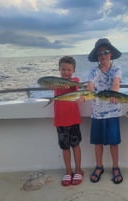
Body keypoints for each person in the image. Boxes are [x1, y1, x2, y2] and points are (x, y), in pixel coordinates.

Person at [87, 38, 123, 184]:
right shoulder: (93, 71)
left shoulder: (117, 69)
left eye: (106, 52)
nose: (103, 55)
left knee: (114, 143)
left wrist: (113, 94)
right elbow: (90, 85)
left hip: (113, 112)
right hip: (97, 113)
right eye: (100, 53)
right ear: (97, 56)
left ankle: (115, 167)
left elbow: (116, 83)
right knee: (98, 143)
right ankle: (99, 166)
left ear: (111, 54)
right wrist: (87, 93)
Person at [53, 56, 83, 186]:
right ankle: (68, 171)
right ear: (59, 69)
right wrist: (57, 83)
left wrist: (70, 83)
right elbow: (50, 84)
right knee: (65, 148)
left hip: (74, 120)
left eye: (69, 69)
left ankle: (78, 169)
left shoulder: (75, 81)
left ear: (73, 70)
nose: (66, 72)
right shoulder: (55, 83)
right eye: (63, 69)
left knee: (76, 146)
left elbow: (76, 86)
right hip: (60, 121)